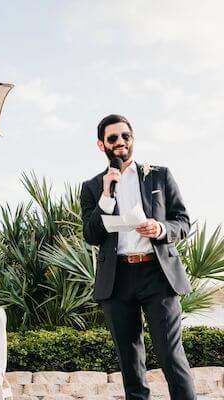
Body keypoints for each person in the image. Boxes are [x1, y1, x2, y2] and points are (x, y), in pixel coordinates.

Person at [80, 114, 196, 400]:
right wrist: (107, 194)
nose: (120, 142)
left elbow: (182, 222)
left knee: (170, 354)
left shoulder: (160, 175)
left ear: (132, 139)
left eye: (125, 136)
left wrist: (159, 228)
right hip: (117, 279)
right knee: (130, 361)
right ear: (101, 144)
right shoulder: (92, 186)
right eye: (113, 138)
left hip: (157, 275)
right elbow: (92, 235)